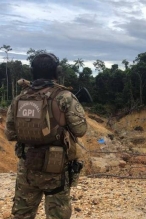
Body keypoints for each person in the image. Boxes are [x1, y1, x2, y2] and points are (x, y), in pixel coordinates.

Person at [5, 53, 87, 219]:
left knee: (22, 214)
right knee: (58, 215)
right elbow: (80, 130)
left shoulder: (20, 98)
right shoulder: (64, 97)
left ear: (32, 72)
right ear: (57, 71)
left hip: (28, 165)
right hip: (56, 166)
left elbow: (10, 133)